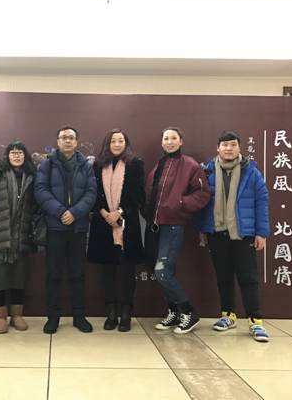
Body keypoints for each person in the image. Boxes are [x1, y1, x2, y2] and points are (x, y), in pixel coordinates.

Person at [196, 130, 270, 342]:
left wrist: (261, 233)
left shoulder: (251, 172)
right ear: (218, 148)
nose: (228, 149)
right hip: (216, 233)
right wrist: (202, 229)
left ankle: (255, 321)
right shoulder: (208, 172)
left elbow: (261, 202)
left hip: (243, 234)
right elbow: (202, 203)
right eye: (225, 145)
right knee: (224, 276)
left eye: (233, 145)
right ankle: (228, 315)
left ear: (239, 148)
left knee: (248, 278)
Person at [144, 127, 209, 334]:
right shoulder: (160, 164)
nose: (169, 141)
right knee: (166, 271)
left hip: (173, 225)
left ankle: (189, 311)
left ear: (181, 141)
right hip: (155, 226)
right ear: (162, 142)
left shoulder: (190, 164)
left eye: (173, 138)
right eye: (166, 138)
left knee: (162, 271)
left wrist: (180, 203)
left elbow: (202, 193)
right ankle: (174, 312)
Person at [34, 125, 97, 334]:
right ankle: (53, 317)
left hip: (78, 227)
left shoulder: (85, 165)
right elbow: (40, 190)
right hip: (55, 227)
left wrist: (75, 213)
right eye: (63, 137)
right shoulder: (47, 164)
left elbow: (91, 192)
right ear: (58, 141)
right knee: (53, 274)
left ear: (76, 142)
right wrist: (61, 212)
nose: (67, 141)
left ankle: (79, 316)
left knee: (78, 274)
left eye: (71, 137)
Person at [87, 129, 145, 332]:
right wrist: (105, 213)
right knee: (107, 270)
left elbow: (138, 195)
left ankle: (126, 313)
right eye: (113, 141)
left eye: (121, 140)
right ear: (107, 144)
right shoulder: (97, 165)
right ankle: (111, 312)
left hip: (127, 223)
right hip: (103, 223)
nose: (117, 144)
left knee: (127, 270)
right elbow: (93, 193)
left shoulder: (135, 164)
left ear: (126, 143)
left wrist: (119, 213)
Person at [0, 141, 37, 333]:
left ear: (25, 156)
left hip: (22, 236)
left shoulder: (32, 176)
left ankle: (17, 315)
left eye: (20, 152)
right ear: (7, 156)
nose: (16, 156)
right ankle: (1, 317)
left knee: (19, 279)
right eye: (13, 153)